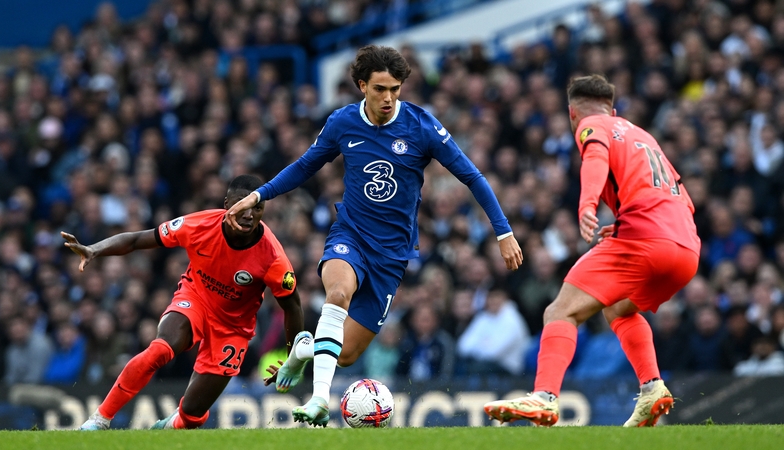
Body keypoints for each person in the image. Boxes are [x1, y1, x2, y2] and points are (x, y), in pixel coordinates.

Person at [225, 45, 523, 427]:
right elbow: (304, 167)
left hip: (392, 256)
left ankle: (302, 350)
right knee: (337, 293)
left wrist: (503, 231)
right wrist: (259, 193)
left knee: (345, 354)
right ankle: (319, 401)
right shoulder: (342, 123)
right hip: (349, 234)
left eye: (395, 89)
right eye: (380, 88)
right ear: (362, 85)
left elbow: (472, 176)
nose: (388, 98)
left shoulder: (421, 126)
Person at [484, 74, 700, 427]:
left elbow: (595, 159)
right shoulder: (643, 136)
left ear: (572, 115)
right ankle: (652, 388)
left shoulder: (592, 126)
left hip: (645, 241)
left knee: (560, 312)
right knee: (617, 308)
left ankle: (545, 397)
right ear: (614, 109)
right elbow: (677, 198)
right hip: (686, 248)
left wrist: (587, 205)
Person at [70, 174, 304, 430]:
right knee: (160, 349)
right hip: (195, 298)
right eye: (243, 206)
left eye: (257, 208)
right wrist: (96, 249)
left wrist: (294, 360)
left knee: (192, 414)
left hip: (233, 328)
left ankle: (171, 425)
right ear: (227, 204)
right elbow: (139, 239)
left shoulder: (273, 257)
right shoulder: (199, 225)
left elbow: (292, 307)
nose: (249, 214)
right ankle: (100, 419)